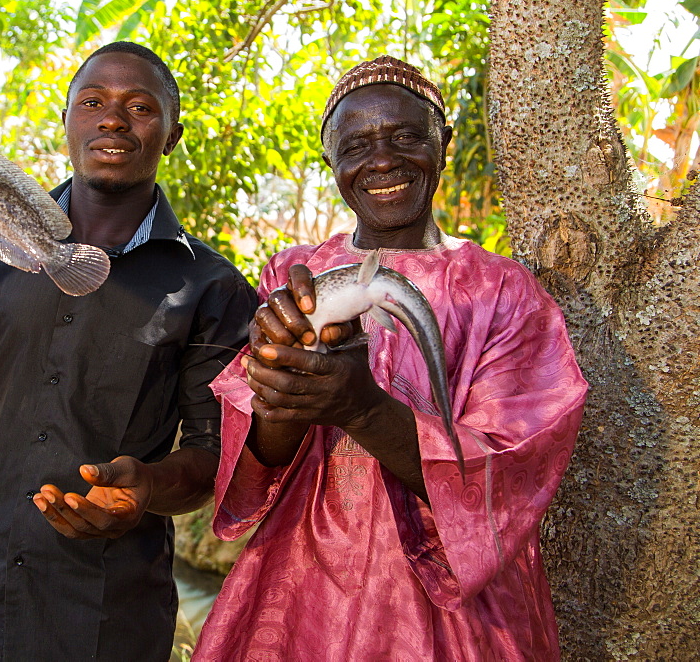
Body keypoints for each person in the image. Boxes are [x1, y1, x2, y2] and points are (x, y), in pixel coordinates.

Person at [0, 41, 257, 661]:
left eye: (140, 107)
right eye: (93, 102)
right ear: (67, 123)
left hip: (107, 626)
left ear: (172, 135)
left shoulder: (211, 287)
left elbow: (213, 456)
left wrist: (146, 488)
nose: (113, 119)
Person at [192, 56, 588, 660]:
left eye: (406, 136)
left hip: (457, 615)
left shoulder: (504, 292)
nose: (383, 161)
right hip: (301, 585)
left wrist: (361, 408)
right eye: (357, 145)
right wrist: (287, 389)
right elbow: (261, 459)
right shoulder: (292, 274)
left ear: (443, 144)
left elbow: (507, 477)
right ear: (333, 163)